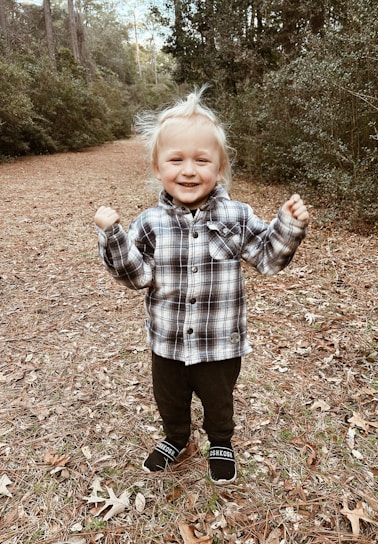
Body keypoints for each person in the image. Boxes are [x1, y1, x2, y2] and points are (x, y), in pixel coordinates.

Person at [94, 88, 309, 485]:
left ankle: (221, 441)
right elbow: (135, 277)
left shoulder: (237, 215)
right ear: (158, 168)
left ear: (220, 168)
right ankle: (176, 438)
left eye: (201, 160)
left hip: (218, 342)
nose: (189, 170)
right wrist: (113, 237)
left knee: (218, 400)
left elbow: (268, 258)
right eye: (176, 159)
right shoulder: (148, 223)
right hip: (168, 340)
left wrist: (288, 226)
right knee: (170, 400)